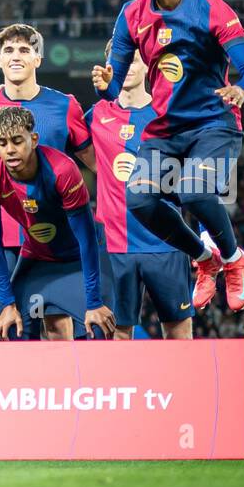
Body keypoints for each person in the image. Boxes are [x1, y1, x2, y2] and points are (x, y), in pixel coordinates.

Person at [93, 0, 244, 313]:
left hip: (213, 124)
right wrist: (107, 86)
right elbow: (114, 86)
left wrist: (241, 90)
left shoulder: (210, 7)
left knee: (195, 193)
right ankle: (205, 258)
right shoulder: (131, 14)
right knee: (138, 200)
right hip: (166, 129)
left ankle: (234, 259)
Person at [0, 24, 96, 339]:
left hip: (53, 242)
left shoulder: (65, 105)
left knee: (57, 327)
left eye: (24, 50)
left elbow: (94, 162)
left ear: (38, 58)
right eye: (9, 50)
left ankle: (54, 390)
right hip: (3, 241)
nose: (16, 56)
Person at [0, 106, 115, 342]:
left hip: (79, 259)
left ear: (34, 139)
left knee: (97, 326)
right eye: (2, 143)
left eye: (17, 141)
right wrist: (7, 304)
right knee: (10, 327)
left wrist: (93, 302)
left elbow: (87, 239)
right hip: (37, 258)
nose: (10, 150)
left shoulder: (63, 170)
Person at [88, 45, 192, 339]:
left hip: (166, 242)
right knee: (117, 335)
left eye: (133, 59)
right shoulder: (96, 114)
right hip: (114, 244)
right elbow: (80, 150)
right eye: (118, 61)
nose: (126, 67)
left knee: (179, 333)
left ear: (148, 64)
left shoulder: (168, 114)